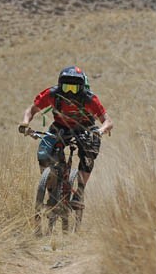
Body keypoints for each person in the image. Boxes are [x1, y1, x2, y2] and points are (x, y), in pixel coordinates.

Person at [18, 66, 113, 200]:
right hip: (60, 127)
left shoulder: (89, 99)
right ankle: (51, 189)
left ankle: (79, 193)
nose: (69, 92)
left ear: (80, 88)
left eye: (73, 88)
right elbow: (32, 110)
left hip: (85, 128)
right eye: (66, 87)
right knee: (44, 153)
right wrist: (25, 123)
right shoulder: (52, 94)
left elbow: (108, 121)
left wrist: (100, 131)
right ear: (60, 85)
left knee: (88, 155)